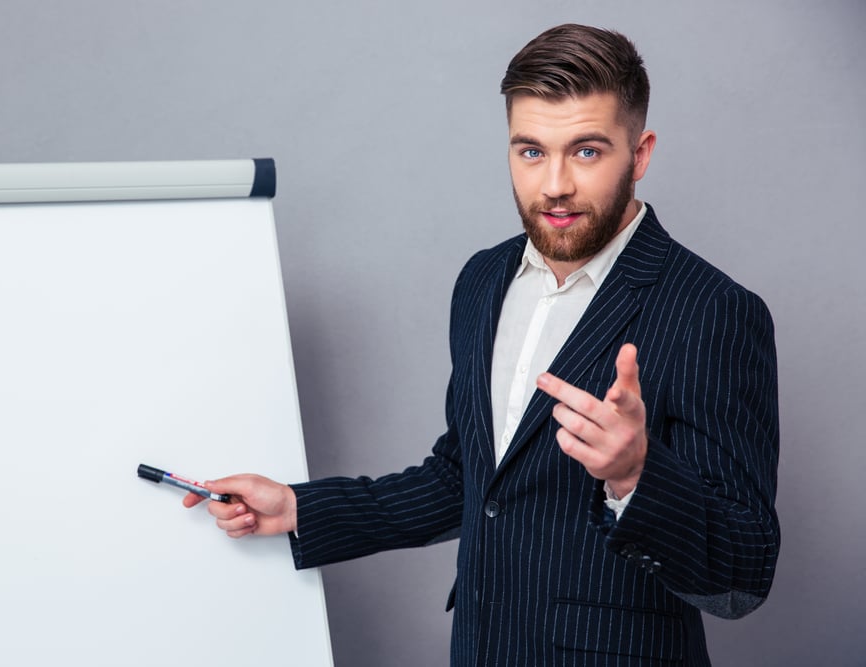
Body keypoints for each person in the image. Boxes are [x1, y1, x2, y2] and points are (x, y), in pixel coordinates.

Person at [186, 23, 780, 666]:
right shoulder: (483, 280)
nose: (554, 184)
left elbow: (745, 570)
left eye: (585, 151)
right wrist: (301, 506)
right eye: (531, 151)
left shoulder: (714, 310)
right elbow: (465, 477)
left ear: (639, 155)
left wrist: (635, 475)